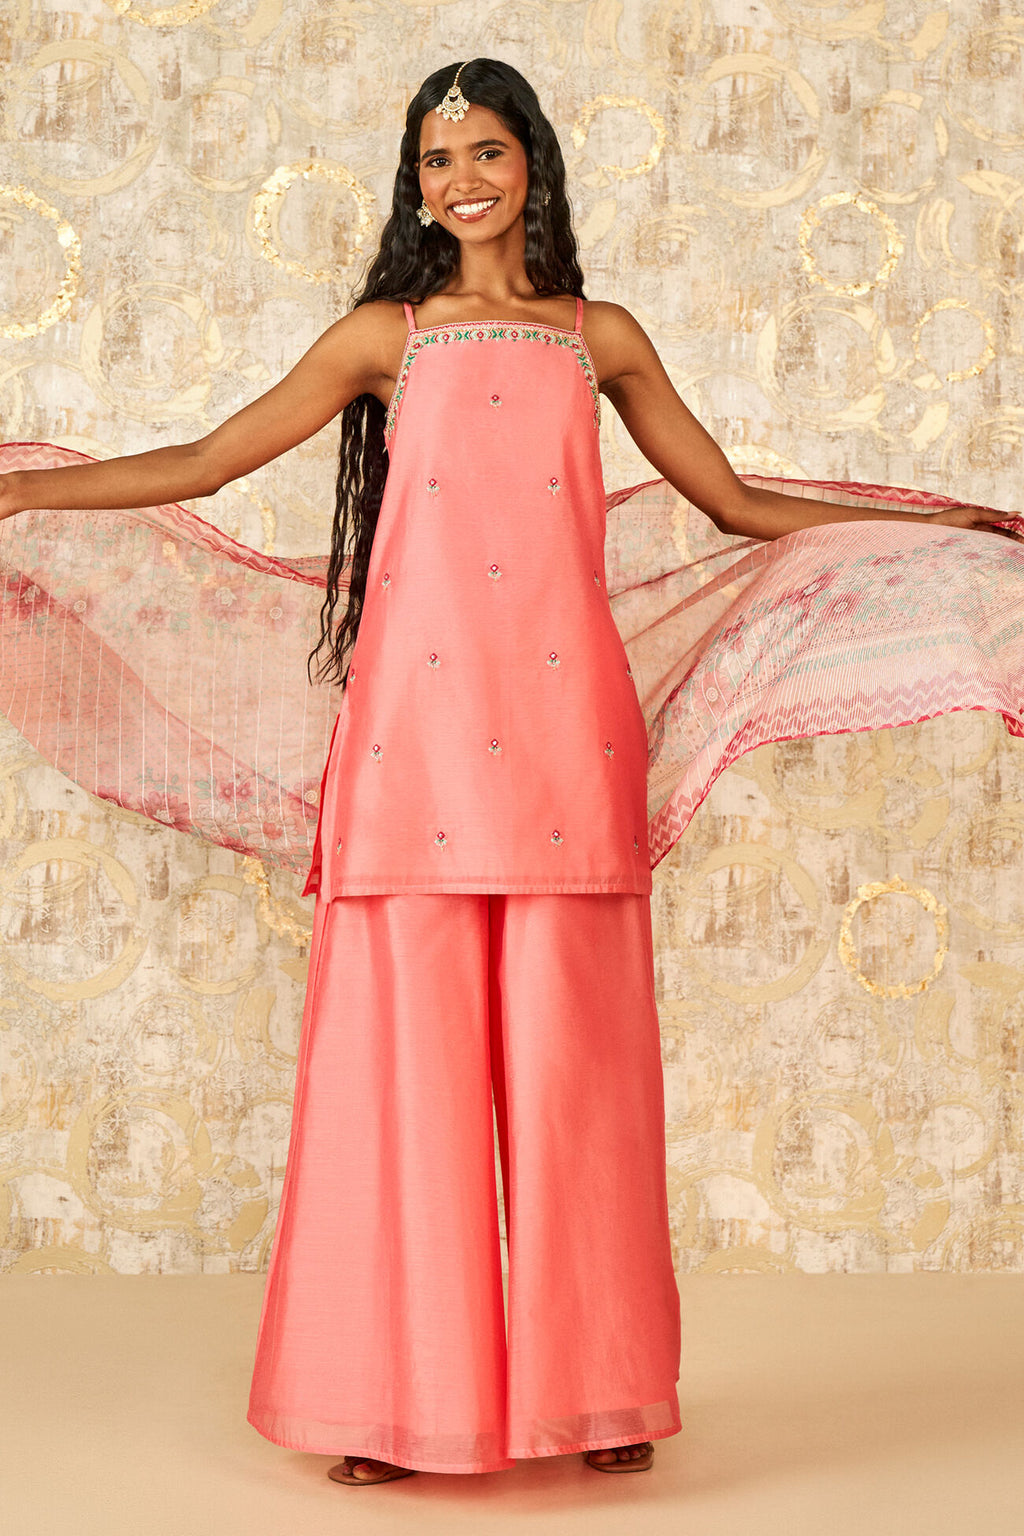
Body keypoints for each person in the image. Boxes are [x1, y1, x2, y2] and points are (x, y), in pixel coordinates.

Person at [0, 57, 1020, 1487]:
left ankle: (595, 1398)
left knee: (574, 1072)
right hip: (411, 738)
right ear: (414, 183)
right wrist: (29, 486)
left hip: (564, 741)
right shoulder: (384, 338)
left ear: (532, 161)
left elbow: (731, 503)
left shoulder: (600, 336)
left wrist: (940, 520)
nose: (463, 178)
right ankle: (390, 1406)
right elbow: (212, 459)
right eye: (437, 159)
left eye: (487, 149)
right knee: (398, 1073)